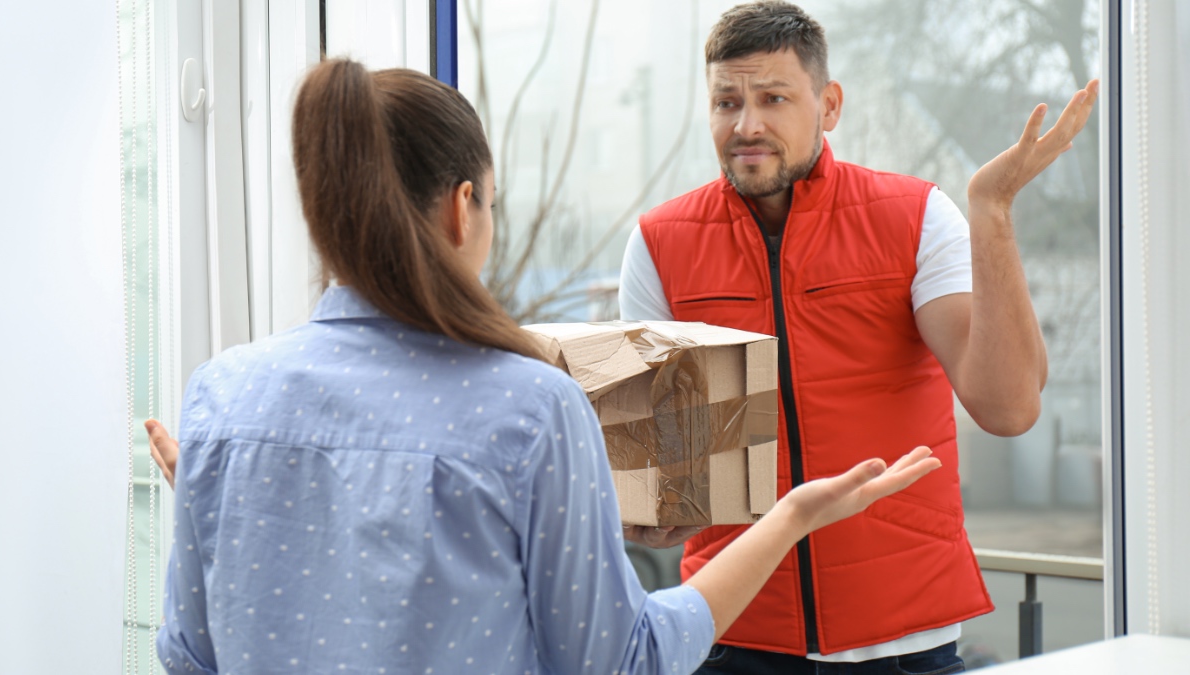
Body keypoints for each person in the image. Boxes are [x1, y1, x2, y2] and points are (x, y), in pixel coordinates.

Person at [151, 58, 940, 675]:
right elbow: (623, 659)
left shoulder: (222, 398)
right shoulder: (528, 406)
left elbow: (193, 653)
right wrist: (789, 519)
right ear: (463, 207)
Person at [616, 2, 1099, 673]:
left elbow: (1009, 406)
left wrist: (993, 212)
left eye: (773, 98)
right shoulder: (657, 244)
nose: (746, 124)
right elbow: (667, 469)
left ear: (829, 104)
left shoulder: (917, 217)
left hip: (903, 640)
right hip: (733, 635)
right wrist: (654, 511)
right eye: (726, 102)